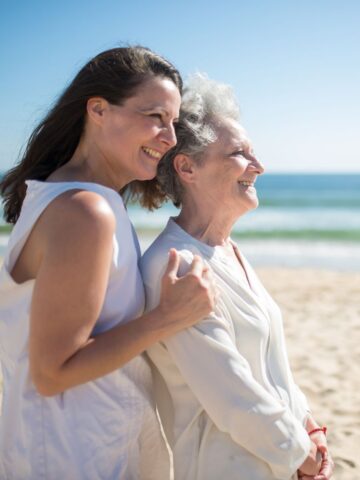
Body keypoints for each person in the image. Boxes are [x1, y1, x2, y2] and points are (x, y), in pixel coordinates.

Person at [0, 48, 216, 479]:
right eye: (156, 116)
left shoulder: (79, 199)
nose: (169, 137)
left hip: (81, 445)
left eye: (173, 122)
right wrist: (166, 318)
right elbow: (52, 372)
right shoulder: (85, 211)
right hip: (71, 457)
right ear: (98, 109)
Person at [140, 74, 334, 480]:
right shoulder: (174, 266)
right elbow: (233, 396)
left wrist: (310, 426)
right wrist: (305, 456)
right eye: (239, 154)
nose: (259, 167)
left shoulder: (228, 252)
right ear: (186, 166)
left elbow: (271, 368)